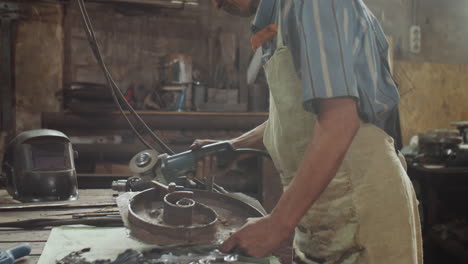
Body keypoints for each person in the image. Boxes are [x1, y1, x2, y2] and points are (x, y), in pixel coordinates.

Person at [192, 0, 423, 263]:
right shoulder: (279, 19)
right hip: (321, 216)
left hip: (363, 208)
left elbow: (339, 121)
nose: (215, 4)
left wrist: (277, 224)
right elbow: (301, 121)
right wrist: (235, 147)